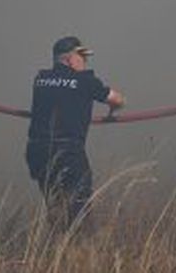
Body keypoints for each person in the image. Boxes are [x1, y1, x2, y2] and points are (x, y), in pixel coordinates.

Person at [24, 35, 125, 231]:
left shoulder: (41, 79)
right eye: (82, 57)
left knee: (55, 207)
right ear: (69, 59)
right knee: (79, 209)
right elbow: (118, 100)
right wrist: (113, 111)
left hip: (37, 151)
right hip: (68, 152)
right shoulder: (85, 81)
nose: (85, 62)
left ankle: (56, 251)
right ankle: (79, 254)